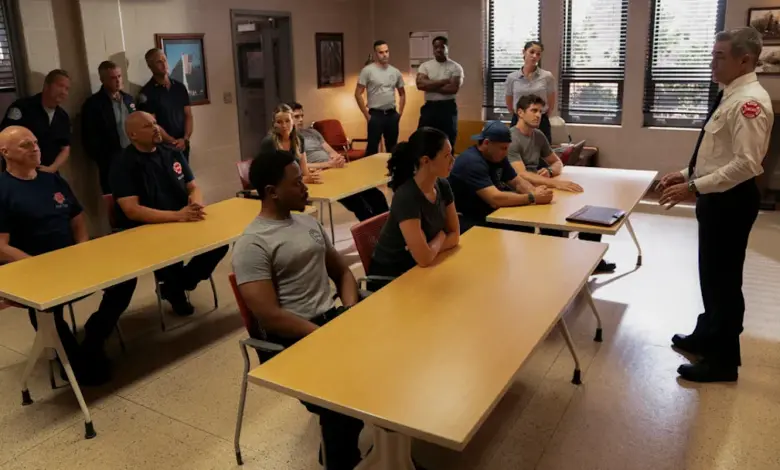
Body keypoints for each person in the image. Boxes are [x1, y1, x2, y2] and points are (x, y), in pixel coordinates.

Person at [232, 149, 364, 470]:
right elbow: (270, 316)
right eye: (296, 183)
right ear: (272, 192)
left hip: (329, 322)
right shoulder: (253, 243)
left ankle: (390, 453)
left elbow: (343, 273)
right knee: (343, 399)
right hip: (291, 339)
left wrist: (348, 312)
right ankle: (341, 461)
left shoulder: (307, 222)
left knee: (389, 366)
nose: (305, 187)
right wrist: (323, 334)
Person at [657, 27, 773, 383]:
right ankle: (706, 335)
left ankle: (723, 361)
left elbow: (746, 165)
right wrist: (684, 174)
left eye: (719, 57)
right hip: (717, 199)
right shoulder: (731, 93)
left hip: (730, 202)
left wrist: (693, 186)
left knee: (724, 283)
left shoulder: (749, 103)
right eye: (712, 55)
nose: (712, 63)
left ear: (745, 60)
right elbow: (716, 153)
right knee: (711, 276)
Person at [0, 126, 137, 385]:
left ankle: (94, 339)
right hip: (32, 270)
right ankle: (73, 358)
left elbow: (76, 218)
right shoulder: (3, 189)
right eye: (26, 145)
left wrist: (82, 247)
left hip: (71, 260)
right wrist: (38, 265)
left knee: (126, 278)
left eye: (35, 142)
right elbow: (1, 246)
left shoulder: (52, 180)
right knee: (46, 309)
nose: (35, 148)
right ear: (5, 152)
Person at [111, 112, 227, 316]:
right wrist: (178, 216)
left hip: (182, 220)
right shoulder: (123, 163)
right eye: (148, 126)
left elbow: (193, 187)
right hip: (147, 229)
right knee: (169, 257)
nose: (156, 128)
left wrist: (195, 204)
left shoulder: (171, 153)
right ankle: (175, 290)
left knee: (219, 243)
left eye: (155, 123)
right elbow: (132, 210)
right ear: (133, 135)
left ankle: (176, 286)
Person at [508, 94, 616, 273]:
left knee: (589, 209)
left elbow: (557, 162)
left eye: (540, 112)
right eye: (533, 111)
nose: (538, 115)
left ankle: (592, 260)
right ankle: (555, 264)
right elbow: (521, 174)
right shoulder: (511, 138)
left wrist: (550, 171)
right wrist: (555, 183)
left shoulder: (538, 135)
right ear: (520, 113)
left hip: (540, 185)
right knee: (556, 219)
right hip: (521, 190)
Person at [368, 127, 459, 290]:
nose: (453, 160)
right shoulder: (407, 196)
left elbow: (455, 235)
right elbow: (424, 258)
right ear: (426, 161)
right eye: (446, 156)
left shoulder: (443, 186)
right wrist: (441, 236)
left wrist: (431, 247)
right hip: (391, 279)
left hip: (420, 269)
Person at [448, 121, 553, 233]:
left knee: (530, 226)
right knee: (522, 228)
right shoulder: (471, 162)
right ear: (486, 143)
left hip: (487, 213)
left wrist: (536, 192)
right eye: (503, 148)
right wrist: (532, 197)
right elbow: (495, 199)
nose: (506, 152)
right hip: (466, 219)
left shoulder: (497, 157)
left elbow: (517, 182)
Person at [290, 102, 389, 221]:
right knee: (358, 204)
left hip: (336, 170)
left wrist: (338, 158)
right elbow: (299, 166)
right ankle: (373, 229)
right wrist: (327, 164)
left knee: (375, 195)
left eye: (302, 116)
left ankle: (388, 226)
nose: (301, 120)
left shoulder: (313, 133)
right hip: (322, 175)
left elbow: (331, 152)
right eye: (297, 117)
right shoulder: (290, 140)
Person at [0, 69, 71, 173]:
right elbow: (5, 140)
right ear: (47, 86)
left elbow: (65, 148)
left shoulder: (62, 117)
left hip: (48, 172)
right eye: (60, 86)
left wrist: (52, 168)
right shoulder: (23, 108)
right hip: (19, 173)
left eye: (67, 89)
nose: (63, 92)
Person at [81, 60, 136, 194]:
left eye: (119, 76)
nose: (117, 81)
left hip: (133, 156)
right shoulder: (93, 104)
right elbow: (89, 136)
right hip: (111, 160)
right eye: (112, 78)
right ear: (103, 80)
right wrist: (103, 158)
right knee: (114, 195)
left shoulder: (128, 99)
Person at [138, 48, 193, 162]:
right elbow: (152, 124)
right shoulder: (147, 93)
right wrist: (171, 141)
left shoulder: (179, 87)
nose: (164, 64)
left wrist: (185, 139)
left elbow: (188, 115)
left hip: (183, 145)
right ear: (150, 66)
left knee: (185, 173)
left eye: (165, 60)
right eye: (159, 62)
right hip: (162, 148)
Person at [355, 40, 406, 156]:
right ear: (376, 54)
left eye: (387, 51)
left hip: (392, 114)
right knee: (372, 148)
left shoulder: (395, 71)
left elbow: (402, 93)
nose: (385, 55)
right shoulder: (367, 71)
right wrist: (367, 115)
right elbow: (358, 94)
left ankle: (391, 168)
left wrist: (400, 113)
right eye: (381, 52)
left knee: (392, 148)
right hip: (375, 115)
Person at [415, 36, 464, 146]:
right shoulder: (425, 66)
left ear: (447, 48)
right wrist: (444, 81)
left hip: (447, 108)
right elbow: (420, 85)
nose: (438, 50)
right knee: (423, 138)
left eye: (442, 47)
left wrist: (429, 85)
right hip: (430, 107)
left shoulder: (456, 67)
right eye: (436, 47)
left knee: (448, 139)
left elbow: (453, 89)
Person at [504, 41, 556, 142]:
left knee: (542, 149)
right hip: (519, 120)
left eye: (538, 54)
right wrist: (522, 115)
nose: (534, 56)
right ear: (524, 52)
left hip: (540, 120)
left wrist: (539, 115)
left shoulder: (547, 76)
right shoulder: (512, 77)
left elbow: (551, 103)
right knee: (516, 147)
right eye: (531, 52)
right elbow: (509, 103)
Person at [259, 104, 322, 186]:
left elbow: (304, 171)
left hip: (297, 185)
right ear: (274, 124)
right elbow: (269, 177)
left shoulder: (299, 139)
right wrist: (302, 180)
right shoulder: (268, 142)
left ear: (292, 121)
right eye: (279, 122)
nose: (284, 125)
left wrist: (311, 177)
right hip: (278, 187)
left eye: (287, 121)